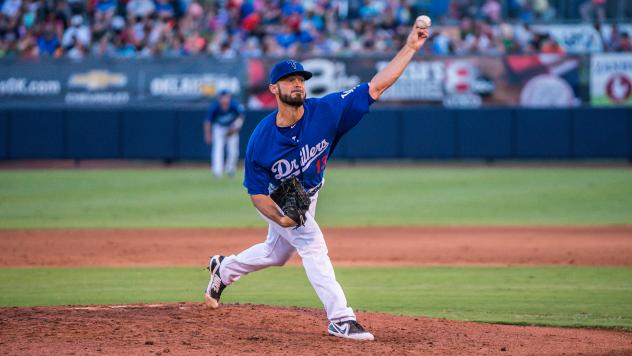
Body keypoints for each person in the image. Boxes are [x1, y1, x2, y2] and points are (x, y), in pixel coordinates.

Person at [204, 21, 429, 341]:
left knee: (276, 254)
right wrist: (282, 217)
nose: (297, 84)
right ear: (273, 89)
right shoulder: (261, 140)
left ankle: (224, 269)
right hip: (276, 198)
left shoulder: (327, 110)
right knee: (311, 245)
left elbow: (376, 86)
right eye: (289, 80)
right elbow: (256, 194)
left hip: (308, 193)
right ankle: (340, 317)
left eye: (300, 79)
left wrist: (409, 48)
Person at [203, 90, 245, 177]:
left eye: (226, 97)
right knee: (217, 149)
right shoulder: (214, 106)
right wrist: (207, 134)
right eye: (223, 98)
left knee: (233, 151)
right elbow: (207, 122)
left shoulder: (234, 105)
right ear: (219, 98)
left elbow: (242, 116)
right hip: (219, 128)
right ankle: (217, 172)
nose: (225, 100)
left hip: (231, 128)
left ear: (229, 98)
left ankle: (230, 170)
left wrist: (235, 127)